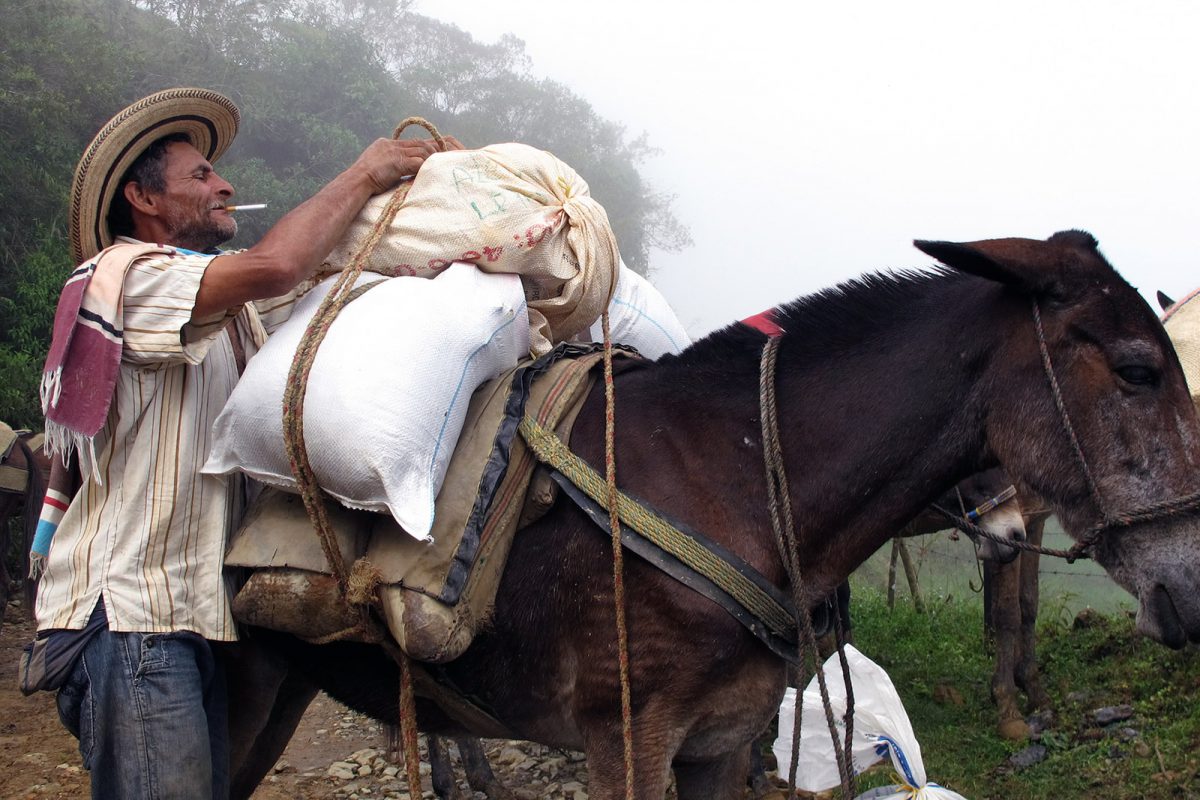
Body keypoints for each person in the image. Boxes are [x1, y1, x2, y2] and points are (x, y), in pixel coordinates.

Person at [20, 87, 459, 799]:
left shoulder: (233, 317)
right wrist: (365, 172)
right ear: (143, 198)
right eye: (199, 176)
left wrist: (441, 197)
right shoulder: (125, 278)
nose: (224, 183)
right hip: (132, 625)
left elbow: (328, 270)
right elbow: (280, 266)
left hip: (191, 622)